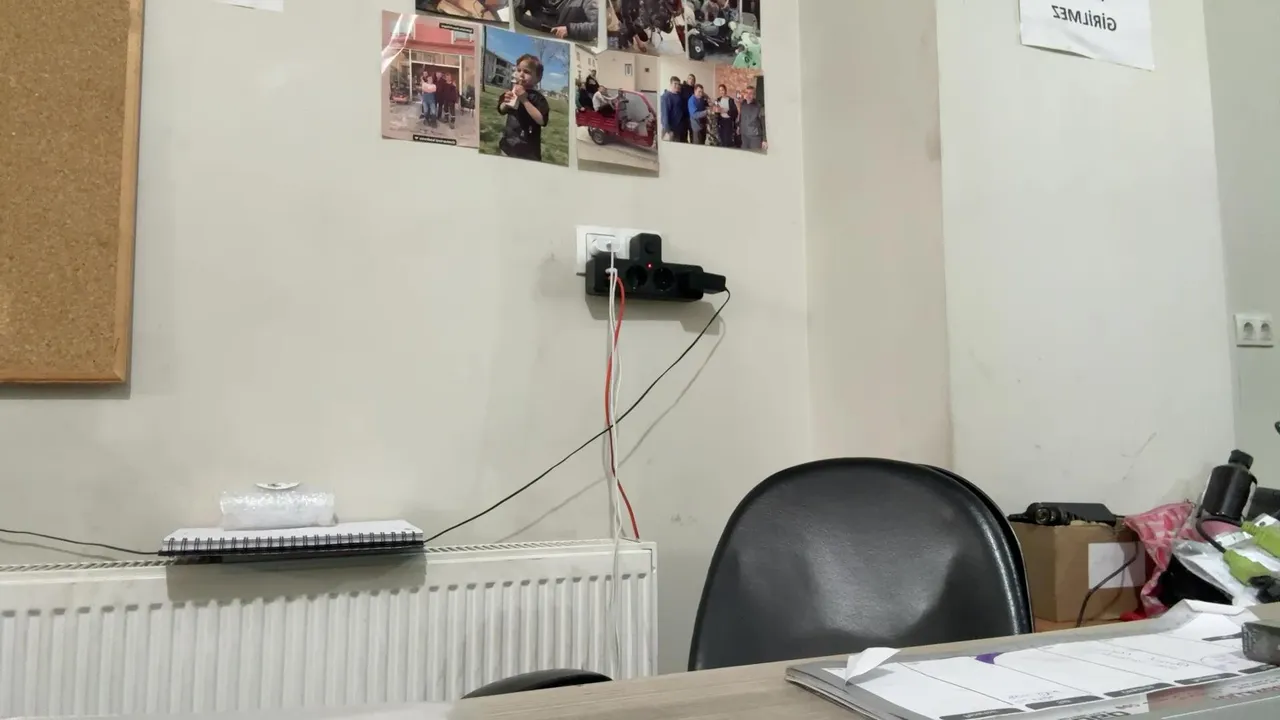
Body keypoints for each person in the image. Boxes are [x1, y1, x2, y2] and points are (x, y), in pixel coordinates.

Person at [497, 54, 551, 161]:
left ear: (538, 78)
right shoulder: (511, 92)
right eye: (518, 70)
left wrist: (524, 100)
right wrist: (505, 103)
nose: (521, 74)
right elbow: (501, 110)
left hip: (528, 151)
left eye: (526, 72)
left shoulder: (538, 98)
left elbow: (541, 121)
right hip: (508, 146)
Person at [517, 0, 599, 43]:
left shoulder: (587, 1)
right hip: (535, 45)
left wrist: (569, 30)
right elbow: (513, 13)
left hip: (569, 53)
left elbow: (598, 27)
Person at [739, 85, 765, 151]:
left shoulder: (758, 106)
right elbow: (741, 116)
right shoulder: (743, 103)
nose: (748, 95)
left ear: (754, 95)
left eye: (751, 93)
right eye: (747, 93)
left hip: (755, 137)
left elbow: (763, 122)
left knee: (755, 155)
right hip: (744, 135)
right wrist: (738, 127)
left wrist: (764, 139)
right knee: (744, 154)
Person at [660, 75, 686, 142]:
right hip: (671, 129)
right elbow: (665, 115)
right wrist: (668, 130)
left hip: (678, 128)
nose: (677, 86)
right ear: (670, 84)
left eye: (678, 84)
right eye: (675, 84)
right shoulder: (666, 97)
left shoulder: (678, 95)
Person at [714, 83, 736, 148]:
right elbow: (716, 110)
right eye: (720, 90)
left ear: (725, 90)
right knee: (722, 138)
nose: (721, 92)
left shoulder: (730, 100)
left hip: (728, 121)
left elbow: (735, 113)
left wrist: (726, 111)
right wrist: (715, 109)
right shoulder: (718, 100)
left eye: (722, 90)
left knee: (727, 140)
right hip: (721, 121)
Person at [679, 73, 696, 141]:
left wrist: (707, 97)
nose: (691, 80)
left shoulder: (694, 89)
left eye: (693, 79)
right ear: (687, 80)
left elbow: (701, 93)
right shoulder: (682, 87)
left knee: (693, 136)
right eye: (689, 78)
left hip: (692, 116)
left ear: (694, 81)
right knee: (683, 136)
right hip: (683, 116)